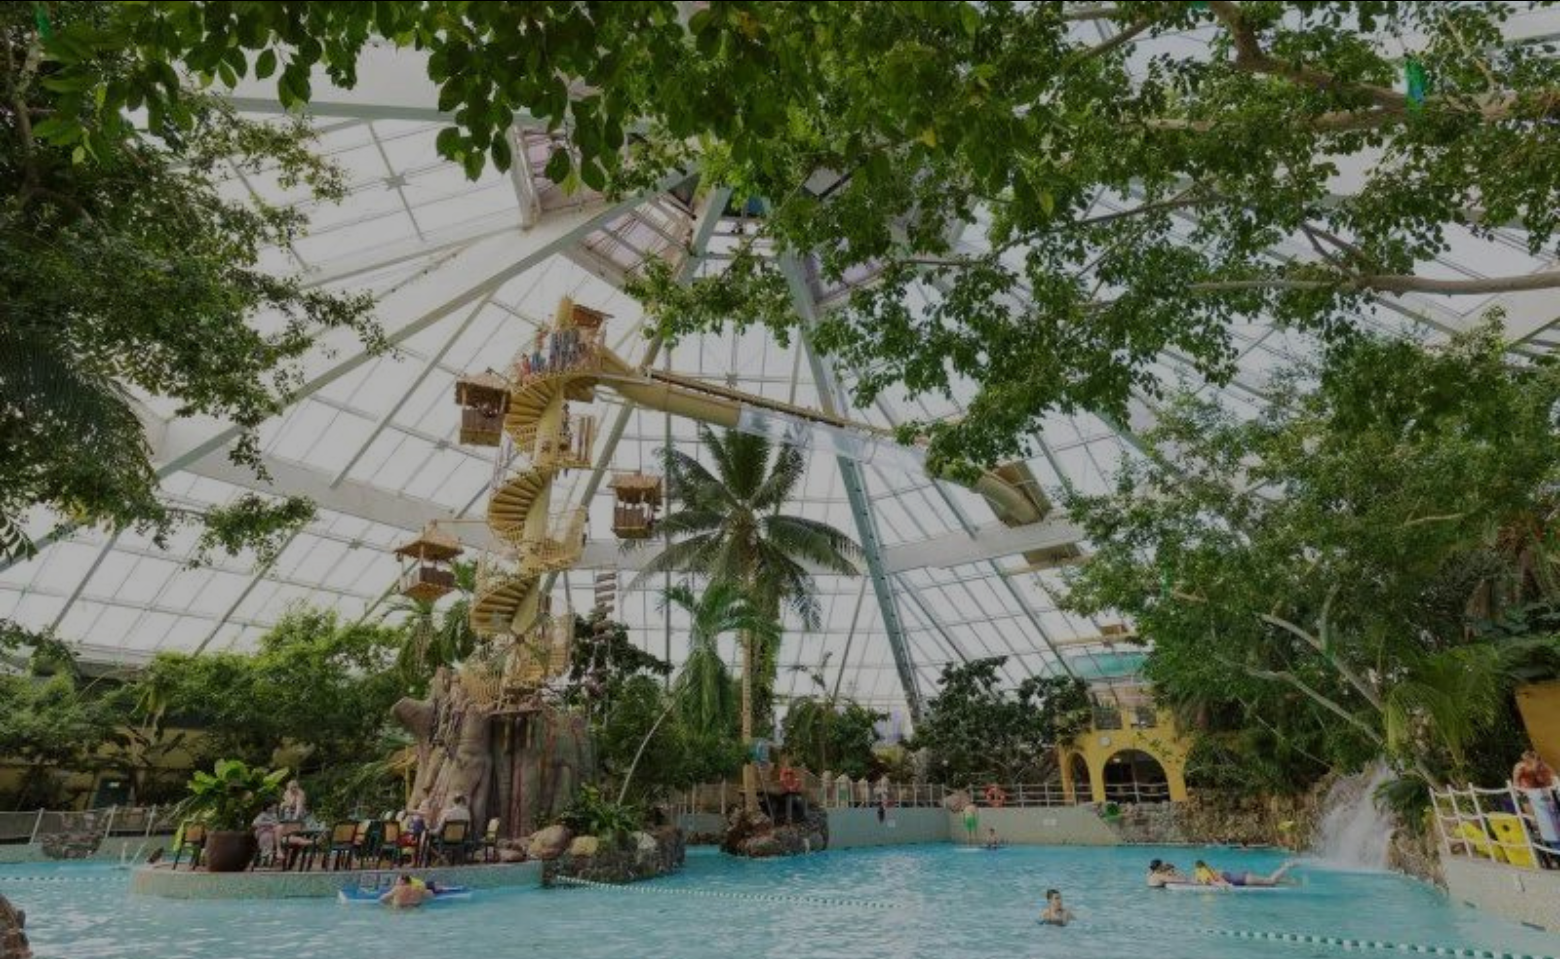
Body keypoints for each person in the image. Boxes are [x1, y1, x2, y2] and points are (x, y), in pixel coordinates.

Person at [1513, 749, 1560, 865]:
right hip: (1530, 797)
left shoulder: (1543, 766)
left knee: (1553, 822)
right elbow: (1516, 785)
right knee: (1536, 825)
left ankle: (1553, 851)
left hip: (1544, 796)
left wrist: (1554, 785)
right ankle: (1548, 856)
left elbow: (1554, 779)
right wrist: (1520, 794)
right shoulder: (1520, 768)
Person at [1194, 858, 1296, 888]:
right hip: (1244, 876)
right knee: (1269, 883)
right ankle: (1289, 881)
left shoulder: (1204, 875)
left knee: (1271, 881)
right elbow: (1219, 877)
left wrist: (1226, 886)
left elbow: (1216, 882)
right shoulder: (1210, 870)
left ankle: (1286, 866)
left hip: (1245, 879)